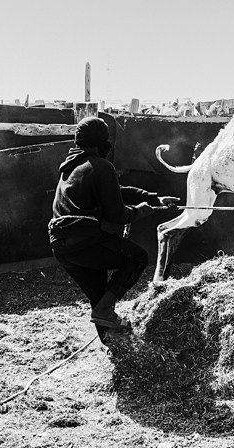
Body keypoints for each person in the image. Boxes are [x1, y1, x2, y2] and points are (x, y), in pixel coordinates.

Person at [48, 116, 177, 330]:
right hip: (85, 242)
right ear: (103, 141)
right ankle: (105, 311)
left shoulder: (72, 166)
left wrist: (153, 198)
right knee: (137, 258)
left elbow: (114, 192)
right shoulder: (101, 166)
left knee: (100, 300)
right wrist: (140, 211)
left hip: (62, 246)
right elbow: (118, 215)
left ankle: (111, 343)